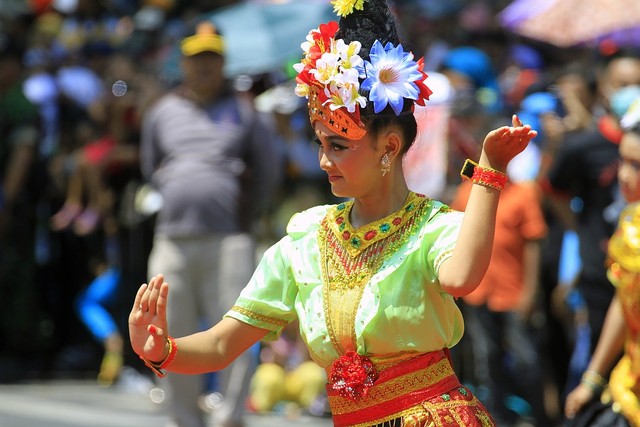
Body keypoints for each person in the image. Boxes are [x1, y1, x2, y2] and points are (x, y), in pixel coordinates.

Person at [129, 1, 536, 426]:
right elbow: (220, 345)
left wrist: (489, 172)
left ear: (389, 147)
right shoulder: (307, 239)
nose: (324, 161)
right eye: (320, 145)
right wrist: (162, 349)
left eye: (338, 146)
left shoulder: (432, 228)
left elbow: (461, 278)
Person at [138, 21, 282, 427]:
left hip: (229, 238)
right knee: (170, 333)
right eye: (197, 58)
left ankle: (230, 416)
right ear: (183, 63)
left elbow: (267, 172)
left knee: (237, 329)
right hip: (173, 238)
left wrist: (243, 215)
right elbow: (151, 169)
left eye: (212, 57)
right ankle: (185, 418)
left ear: (223, 62)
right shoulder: (162, 112)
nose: (205, 65)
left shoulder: (244, 111)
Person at [450, 162, 549, 426]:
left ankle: (541, 417)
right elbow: (453, 237)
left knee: (526, 358)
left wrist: (530, 291)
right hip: (479, 292)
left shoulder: (523, 193)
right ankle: (498, 418)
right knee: (486, 357)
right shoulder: (466, 192)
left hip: (513, 292)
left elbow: (533, 243)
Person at [564, 99, 640, 426]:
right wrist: (591, 379)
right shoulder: (631, 227)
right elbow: (625, 302)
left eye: (637, 165)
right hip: (630, 386)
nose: (623, 174)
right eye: (622, 160)